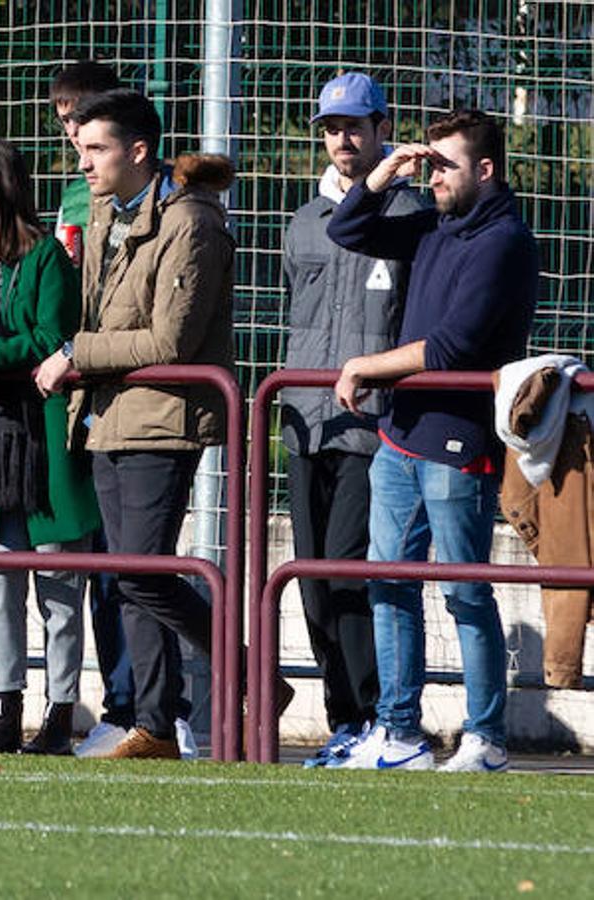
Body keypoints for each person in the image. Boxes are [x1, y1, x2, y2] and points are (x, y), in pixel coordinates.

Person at [330, 109, 538, 773]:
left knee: (463, 590)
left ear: (486, 169)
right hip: (402, 433)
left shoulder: (502, 239)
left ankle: (485, 737)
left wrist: (366, 365)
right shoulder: (438, 223)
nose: (434, 175)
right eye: (430, 163)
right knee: (388, 582)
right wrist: (382, 175)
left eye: (445, 165)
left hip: (458, 439)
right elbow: (349, 228)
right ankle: (399, 733)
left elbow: (451, 349)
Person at [33, 90, 236, 759]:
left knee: (143, 572)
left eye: (96, 149)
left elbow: (171, 340)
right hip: (105, 415)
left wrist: (74, 355)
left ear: (138, 151)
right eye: (79, 147)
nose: (82, 162)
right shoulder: (101, 210)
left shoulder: (193, 222)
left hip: (161, 418)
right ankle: (154, 725)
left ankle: (245, 667)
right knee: (126, 576)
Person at [0, 140, 101, 755]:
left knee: (59, 583)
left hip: (46, 439)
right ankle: (5, 711)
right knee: (2, 581)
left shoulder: (45, 258)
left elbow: (49, 338)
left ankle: (59, 716)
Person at [281, 72, 424, 767]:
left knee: (347, 571)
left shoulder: (408, 215)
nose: (343, 138)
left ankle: (375, 715)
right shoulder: (303, 220)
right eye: (332, 128)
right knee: (310, 580)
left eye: (355, 126)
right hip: (305, 424)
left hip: (372, 428)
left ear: (380, 127)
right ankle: (344, 718)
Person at [47, 60, 142, 757]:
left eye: (81, 120)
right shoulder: (78, 199)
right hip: (86, 402)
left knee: (136, 571)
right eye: (63, 122)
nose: (72, 137)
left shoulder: (160, 208)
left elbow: (151, 320)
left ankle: (161, 705)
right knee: (109, 573)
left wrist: (77, 350)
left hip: (138, 404)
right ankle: (130, 704)